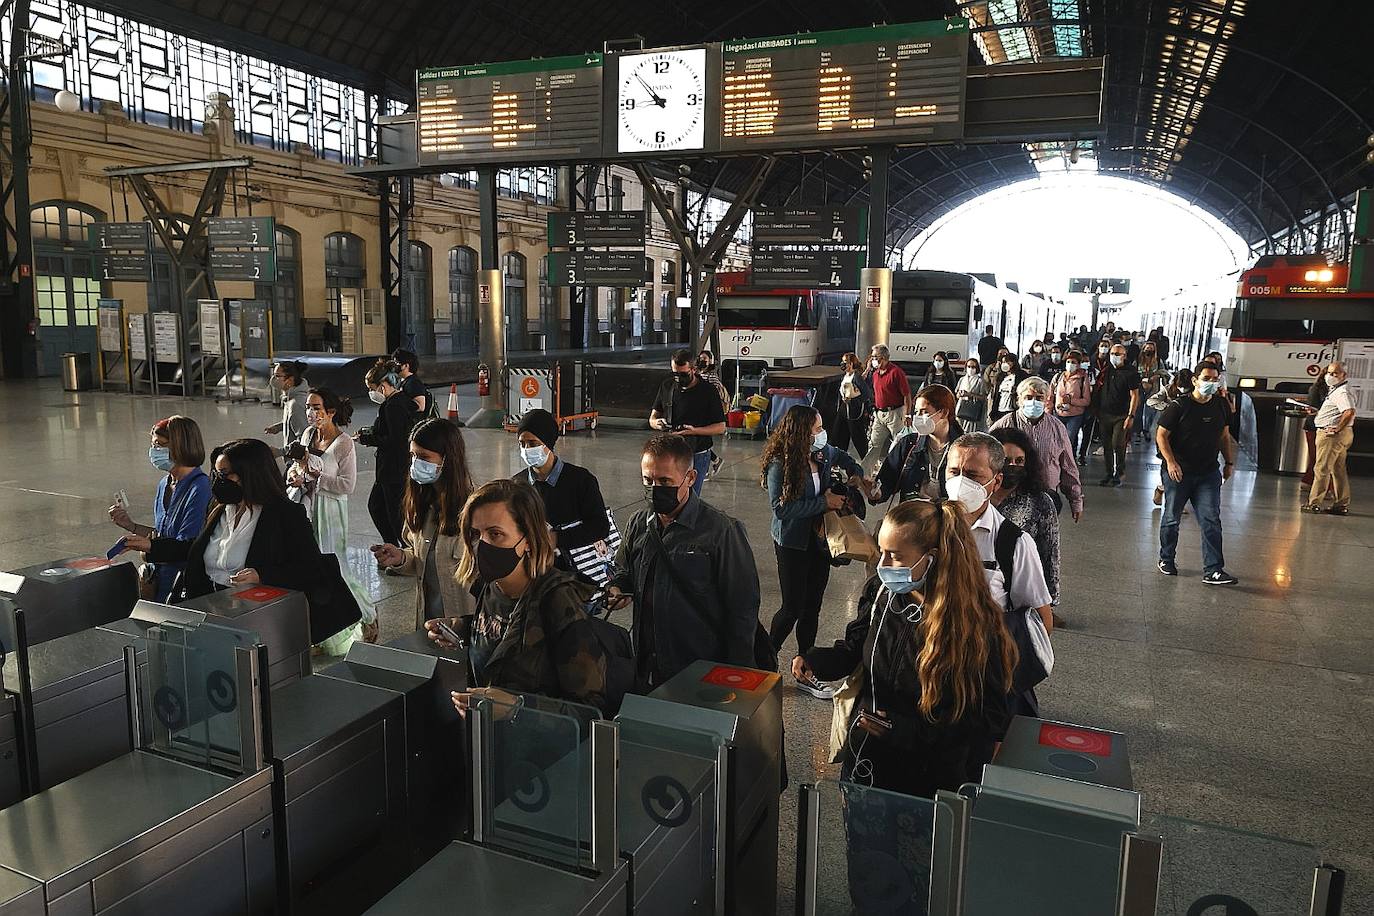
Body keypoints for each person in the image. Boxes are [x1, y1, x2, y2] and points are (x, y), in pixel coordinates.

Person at [795, 499, 1014, 797]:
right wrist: (817, 661)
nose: (883, 565)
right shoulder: (881, 595)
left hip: (927, 782)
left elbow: (987, 720)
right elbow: (856, 647)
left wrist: (902, 732)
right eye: (881, 551)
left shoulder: (974, 626)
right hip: (867, 766)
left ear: (932, 558)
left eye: (895, 556)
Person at [424, 479, 609, 717]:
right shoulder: (491, 587)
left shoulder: (558, 600)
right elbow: (508, 631)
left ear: (529, 542)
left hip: (539, 751)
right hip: (489, 743)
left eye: (495, 534)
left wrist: (518, 709)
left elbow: (590, 709)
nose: (482, 545)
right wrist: (461, 627)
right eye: (475, 534)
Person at [149, 438, 361, 640]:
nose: (218, 482)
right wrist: (152, 547)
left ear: (249, 474)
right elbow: (197, 550)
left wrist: (263, 575)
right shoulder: (220, 510)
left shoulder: (285, 515)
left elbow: (310, 569)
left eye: (225, 474)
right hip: (211, 614)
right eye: (216, 474)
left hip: (261, 621)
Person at [606, 435, 760, 692]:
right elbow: (624, 570)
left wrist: (735, 675)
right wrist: (618, 588)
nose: (655, 488)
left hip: (699, 668)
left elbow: (742, 607)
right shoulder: (638, 522)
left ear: (690, 478)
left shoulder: (722, 531)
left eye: (665, 481)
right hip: (648, 665)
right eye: (648, 481)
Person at [761, 405, 867, 697]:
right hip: (792, 542)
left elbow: (843, 457)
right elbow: (781, 509)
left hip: (821, 543)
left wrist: (856, 473)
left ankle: (805, 667)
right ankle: (764, 659)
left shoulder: (823, 454)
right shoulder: (780, 465)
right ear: (801, 433)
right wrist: (825, 502)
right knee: (792, 607)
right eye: (816, 429)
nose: (822, 434)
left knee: (813, 607)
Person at [286, 388, 378, 650]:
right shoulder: (307, 434)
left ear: (331, 411)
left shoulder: (344, 443)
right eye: (308, 407)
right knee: (314, 565)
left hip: (331, 509)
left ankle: (366, 613)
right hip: (307, 506)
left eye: (316, 408)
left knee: (336, 566)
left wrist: (315, 476)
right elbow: (298, 464)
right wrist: (297, 475)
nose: (311, 413)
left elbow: (346, 485)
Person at [944, 433, 1053, 638]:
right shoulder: (924, 527)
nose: (960, 482)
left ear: (996, 481)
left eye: (972, 475)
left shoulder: (1014, 544)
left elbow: (1041, 622)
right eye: (954, 472)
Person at [372, 418, 477, 629]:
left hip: (463, 623)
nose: (415, 464)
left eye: (423, 457)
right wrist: (401, 558)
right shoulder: (422, 505)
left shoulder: (474, 512)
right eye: (413, 456)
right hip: (428, 622)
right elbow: (423, 559)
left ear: (448, 459)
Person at [107, 416, 212, 602]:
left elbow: (188, 545)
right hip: (160, 579)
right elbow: (162, 536)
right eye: (153, 445)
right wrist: (132, 527)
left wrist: (148, 547)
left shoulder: (200, 487)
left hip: (183, 583)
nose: (154, 451)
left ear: (180, 447)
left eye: (159, 445)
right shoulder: (165, 483)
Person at [1156, 362, 1239, 584]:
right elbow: (1161, 435)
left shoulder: (1221, 405)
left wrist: (1229, 462)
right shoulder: (1179, 406)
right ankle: (1166, 558)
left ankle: (1213, 569)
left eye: (1214, 379)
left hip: (1208, 473)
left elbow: (1224, 436)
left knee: (1211, 519)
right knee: (1172, 518)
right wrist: (1171, 462)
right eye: (1206, 378)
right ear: (1194, 380)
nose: (1211, 383)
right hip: (1179, 472)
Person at [512, 409, 615, 585]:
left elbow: (599, 527)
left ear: (548, 443)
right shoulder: (518, 484)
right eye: (522, 444)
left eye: (533, 443)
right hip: (536, 575)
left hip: (575, 576)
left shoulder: (580, 480)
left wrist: (556, 538)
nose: (526, 449)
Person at [990, 376, 1084, 521]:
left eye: (1039, 398)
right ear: (1019, 399)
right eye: (1028, 397)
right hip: (1010, 497)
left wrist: (1076, 500)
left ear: (1047, 399)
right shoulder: (1004, 424)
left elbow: (1068, 466)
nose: (1033, 401)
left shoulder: (1057, 427)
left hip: (1046, 497)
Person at [989, 427, 1061, 609]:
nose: (1012, 466)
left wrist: (1048, 603)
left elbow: (1050, 554)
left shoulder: (1040, 502)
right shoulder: (977, 496)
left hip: (1021, 591)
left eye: (1019, 461)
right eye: (1006, 461)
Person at [649, 349, 726, 497]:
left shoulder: (708, 391)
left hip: (697, 452)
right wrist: (657, 423)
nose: (678, 378)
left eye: (683, 374)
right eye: (675, 374)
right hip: (671, 451)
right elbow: (652, 418)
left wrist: (694, 431)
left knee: (690, 497)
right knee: (670, 496)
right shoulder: (667, 386)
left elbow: (720, 427)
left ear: (693, 369)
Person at [357, 358, 417, 546]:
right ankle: (392, 545)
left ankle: (403, 549)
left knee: (393, 513)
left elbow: (396, 440)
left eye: (372, 388)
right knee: (378, 507)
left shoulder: (394, 406)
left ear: (383, 385)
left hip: (394, 469)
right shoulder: (397, 402)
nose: (371, 393)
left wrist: (367, 439)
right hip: (390, 469)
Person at [871, 384, 964, 504]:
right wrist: (876, 493)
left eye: (924, 412)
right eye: (916, 412)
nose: (918, 417)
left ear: (944, 412)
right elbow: (886, 482)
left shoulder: (965, 449)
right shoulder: (908, 444)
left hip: (947, 519)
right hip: (912, 517)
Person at [1304, 361, 1357, 516]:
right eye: (1329, 373)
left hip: (1332, 436)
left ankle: (1314, 503)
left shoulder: (1342, 392)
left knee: (1322, 468)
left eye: (1335, 373)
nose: (1330, 376)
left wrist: (1337, 428)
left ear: (1344, 375)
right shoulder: (1338, 389)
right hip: (1341, 434)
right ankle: (1341, 503)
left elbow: (1349, 411)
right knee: (1338, 469)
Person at [1092, 343, 1141, 487]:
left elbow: (1135, 395)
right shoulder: (1106, 370)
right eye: (1113, 353)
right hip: (1104, 414)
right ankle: (1108, 473)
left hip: (1121, 415)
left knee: (1117, 444)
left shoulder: (1131, 373)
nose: (1114, 356)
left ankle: (1119, 472)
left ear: (1124, 356)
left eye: (1118, 354)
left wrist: (1131, 416)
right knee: (1106, 445)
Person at [860, 345, 913, 474]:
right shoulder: (875, 373)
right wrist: (867, 369)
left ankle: (901, 472)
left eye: (874, 357)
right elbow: (860, 381)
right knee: (873, 444)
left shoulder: (896, 372)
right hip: (879, 413)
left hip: (895, 413)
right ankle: (865, 474)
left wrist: (907, 415)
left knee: (899, 443)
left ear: (883, 358)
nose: (872, 360)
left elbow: (907, 395)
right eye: (871, 357)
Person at [1051, 350, 1092, 466]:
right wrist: (1049, 409)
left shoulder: (1083, 378)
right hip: (1058, 414)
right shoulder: (1058, 377)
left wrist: (1071, 401)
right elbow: (1051, 395)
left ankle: (1067, 462)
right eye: (1068, 362)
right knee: (1057, 439)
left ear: (1078, 364)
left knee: (1068, 439)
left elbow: (1086, 400)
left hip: (1074, 415)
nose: (1070, 364)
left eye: (1073, 362)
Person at [265, 360, 309, 455]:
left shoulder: (296, 404)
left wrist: (280, 452)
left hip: (296, 462)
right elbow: (297, 421)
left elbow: (305, 440)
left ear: (289, 380)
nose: (273, 379)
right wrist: (281, 426)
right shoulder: (290, 399)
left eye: (277, 376)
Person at [834, 352, 873, 459]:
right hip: (844, 408)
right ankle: (839, 459)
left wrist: (854, 401)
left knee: (857, 436)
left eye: (845, 362)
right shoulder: (846, 376)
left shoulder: (856, 376)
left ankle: (866, 459)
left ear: (851, 363)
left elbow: (866, 394)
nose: (843, 364)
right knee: (839, 433)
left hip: (854, 409)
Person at [1297, 372, 1331, 490]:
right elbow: (1313, 407)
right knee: (1319, 458)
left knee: (1318, 458)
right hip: (1315, 427)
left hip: (1320, 426)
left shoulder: (1332, 390)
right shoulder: (1316, 389)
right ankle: (1321, 487)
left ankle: (1308, 481)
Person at [1136, 339, 1169, 441]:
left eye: (1151, 349)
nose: (1149, 350)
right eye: (1147, 348)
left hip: (1154, 388)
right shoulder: (1138, 360)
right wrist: (1145, 379)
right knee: (1138, 409)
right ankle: (1138, 430)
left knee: (1150, 410)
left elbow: (1164, 372)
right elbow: (1134, 372)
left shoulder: (1158, 361)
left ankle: (1146, 429)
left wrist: (1158, 375)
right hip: (1140, 387)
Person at [988, 352, 1028, 425]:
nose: (1004, 364)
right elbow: (996, 394)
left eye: (1007, 362)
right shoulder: (1000, 376)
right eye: (1003, 362)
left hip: (1013, 409)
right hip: (1000, 409)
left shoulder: (1022, 375)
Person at [391, 347, 432, 416]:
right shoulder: (403, 381)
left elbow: (421, 407)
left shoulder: (414, 383)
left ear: (406, 365)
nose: (394, 366)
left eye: (397, 363)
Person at [955, 357, 989, 432]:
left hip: (973, 409)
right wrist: (960, 394)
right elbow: (957, 394)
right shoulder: (962, 379)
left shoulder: (980, 381)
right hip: (961, 407)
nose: (970, 369)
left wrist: (970, 394)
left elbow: (984, 397)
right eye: (969, 366)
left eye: (973, 367)